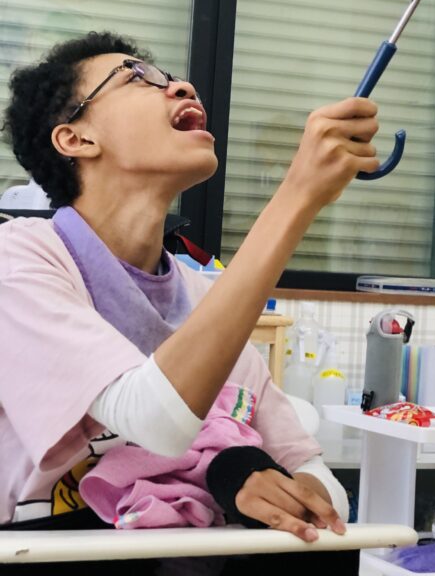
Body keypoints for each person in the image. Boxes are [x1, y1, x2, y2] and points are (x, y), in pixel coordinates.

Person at [0, 31, 380, 573]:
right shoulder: (20, 260)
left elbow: (322, 484)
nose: (181, 86)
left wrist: (250, 477)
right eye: (136, 78)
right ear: (75, 138)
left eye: (172, 77)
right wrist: (298, 194)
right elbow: (152, 418)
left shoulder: (206, 299)